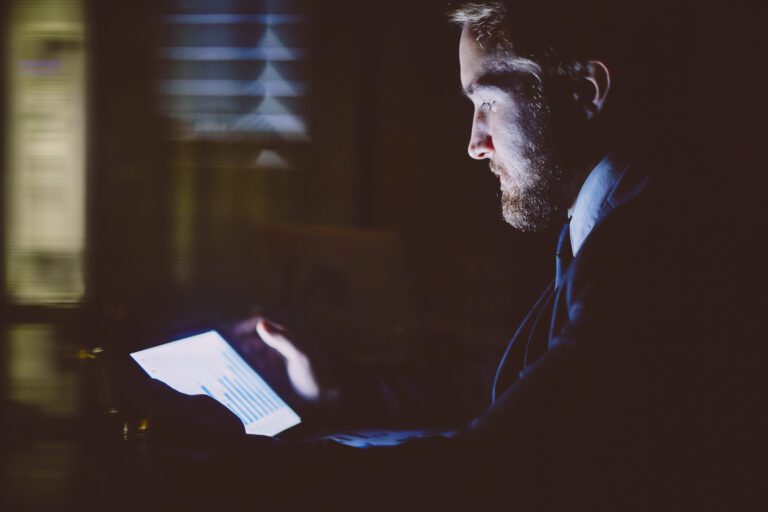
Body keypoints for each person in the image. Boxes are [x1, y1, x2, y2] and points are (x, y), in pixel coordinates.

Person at [142, 2, 759, 511]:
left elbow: (498, 470)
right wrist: (337, 392)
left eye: (487, 99)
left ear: (586, 90)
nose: (474, 143)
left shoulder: (656, 246)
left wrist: (238, 471)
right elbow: (513, 388)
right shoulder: (627, 215)